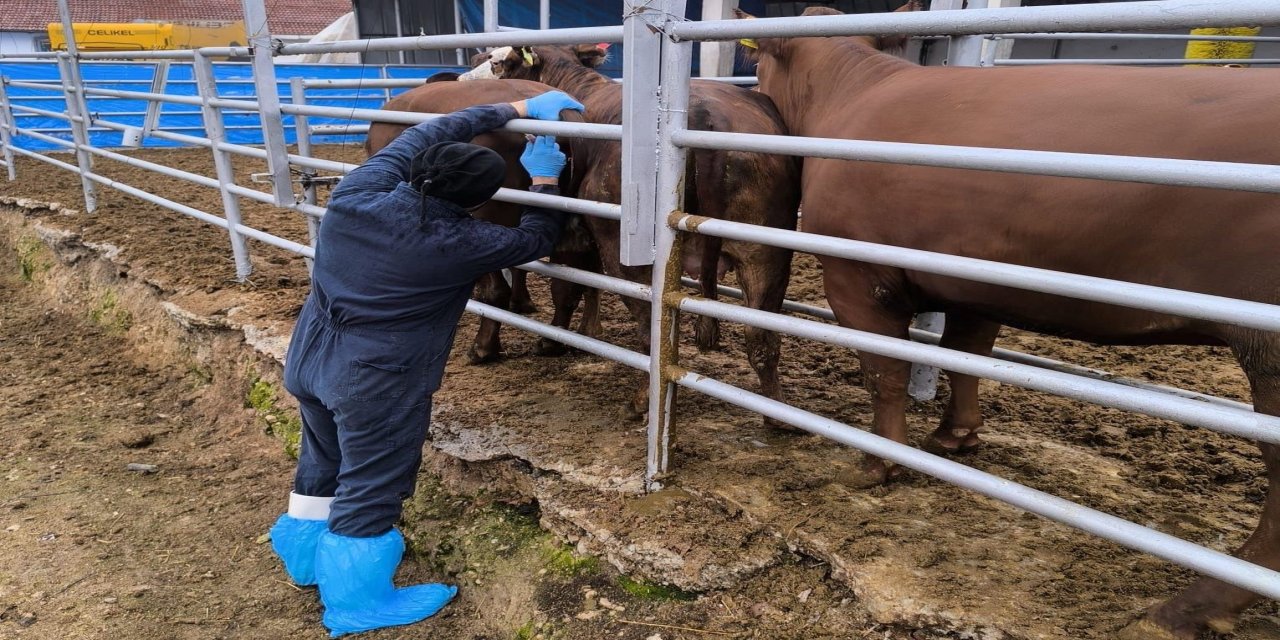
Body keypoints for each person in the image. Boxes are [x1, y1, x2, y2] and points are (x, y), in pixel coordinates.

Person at [266, 90, 585, 638]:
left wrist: (514, 106)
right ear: (481, 197)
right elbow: (536, 238)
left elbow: (425, 133)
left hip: (311, 354)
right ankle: (357, 603)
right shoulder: (457, 239)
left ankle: (305, 560)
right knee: (372, 482)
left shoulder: (357, 193)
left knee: (321, 459)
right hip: (376, 379)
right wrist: (546, 181)